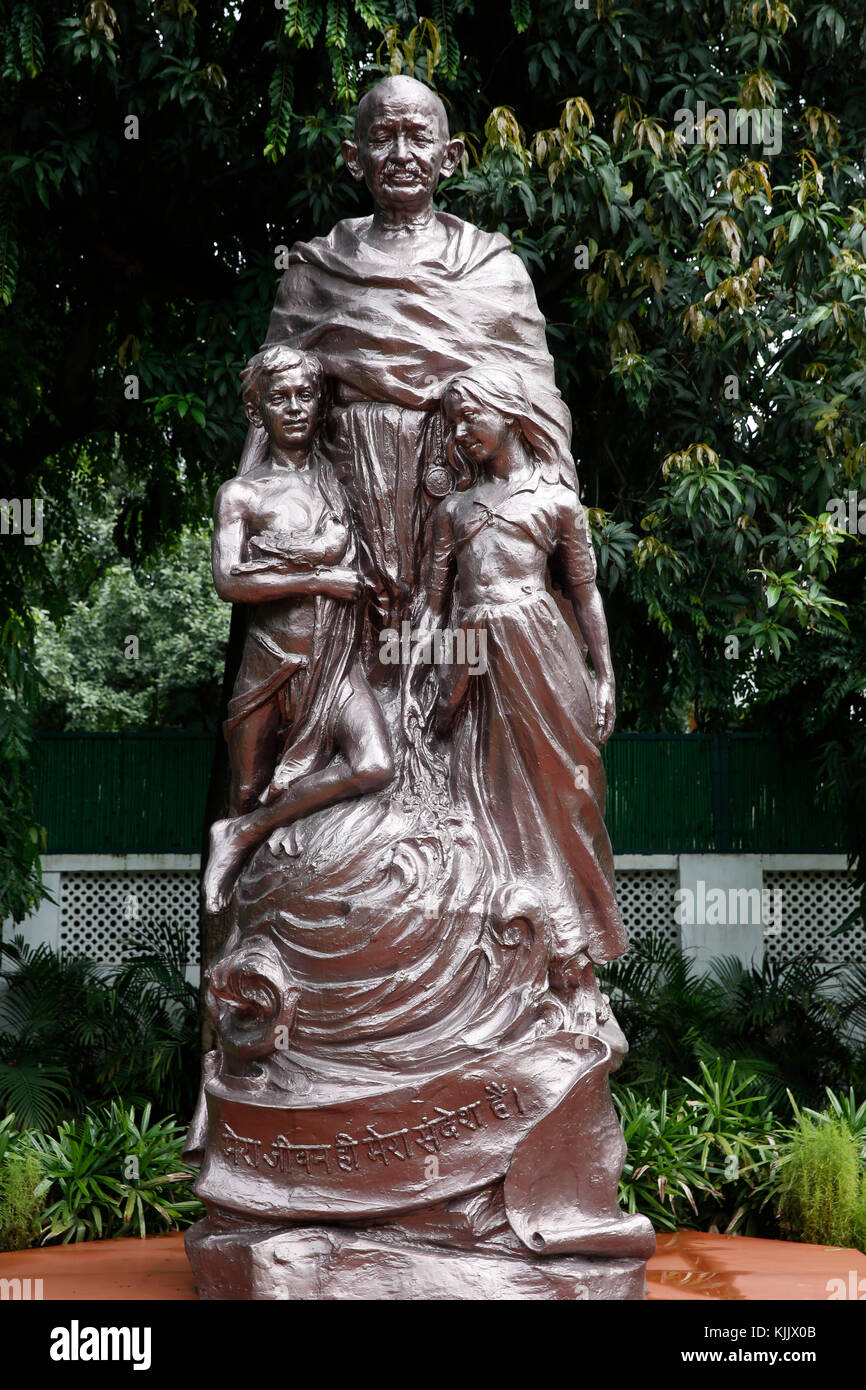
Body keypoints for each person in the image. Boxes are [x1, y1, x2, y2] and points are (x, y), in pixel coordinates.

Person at [237, 74, 576, 642]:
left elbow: (538, 407)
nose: (401, 155)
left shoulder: (492, 270)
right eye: (382, 137)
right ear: (353, 156)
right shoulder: (314, 275)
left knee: (454, 676)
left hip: (463, 498)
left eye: (418, 138)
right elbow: (270, 413)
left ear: (450, 157)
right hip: (342, 508)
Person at [403, 366, 628, 992]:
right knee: (487, 792)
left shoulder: (556, 502)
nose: (462, 432)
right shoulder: (455, 509)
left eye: (472, 416)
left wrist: (604, 679)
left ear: (508, 413)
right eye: (453, 423)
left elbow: (585, 597)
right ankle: (504, 938)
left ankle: (575, 947)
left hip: (542, 650)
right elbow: (433, 600)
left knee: (566, 792)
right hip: (473, 655)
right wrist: (418, 662)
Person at [203, 346, 393, 914]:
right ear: (257, 408)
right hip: (271, 662)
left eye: (305, 396)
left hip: (335, 664)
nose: (294, 408)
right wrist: (321, 579)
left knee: (374, 764)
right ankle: (245, 934)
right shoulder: (242, 494)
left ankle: (241, 833)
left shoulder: (339, 481)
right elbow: (230, 582)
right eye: (279, 398)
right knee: (244, 788)